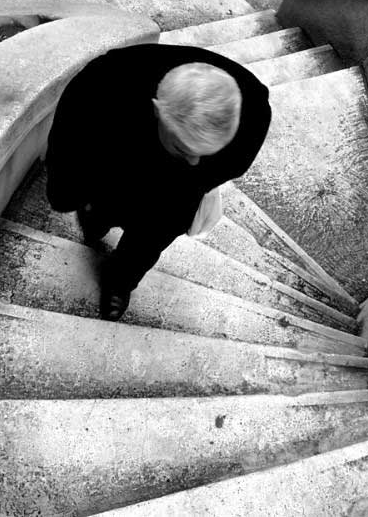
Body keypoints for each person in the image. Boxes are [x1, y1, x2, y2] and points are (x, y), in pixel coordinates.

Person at [45, 43, 271, 321]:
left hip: (180, 189)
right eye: (184, 150)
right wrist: (69, 194)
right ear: (156, 110)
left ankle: (121, 280)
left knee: (153, 236)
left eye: (204, 153)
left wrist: (187, 180)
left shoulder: (254, 116)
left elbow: (224, 167)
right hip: (115, 159)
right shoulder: (103, 85)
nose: (193, 162)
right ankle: (96, 216)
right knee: (102, 201)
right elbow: (67, 147)